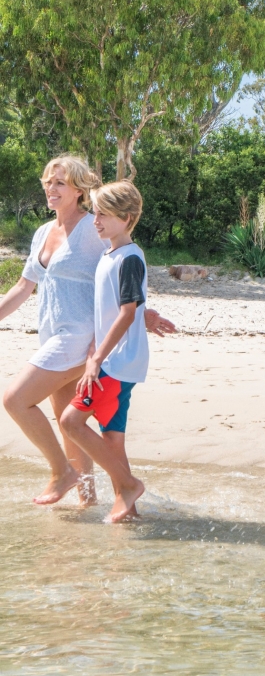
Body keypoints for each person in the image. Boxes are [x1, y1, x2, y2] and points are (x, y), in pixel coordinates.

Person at [0, 155, 175, 506]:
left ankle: (62, 473)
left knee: (15, 400)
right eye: (48, 181)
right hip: (52, 334)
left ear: (79, 189)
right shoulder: (41, 233)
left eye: (60, 182)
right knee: (69, 428)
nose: (51, 187)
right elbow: (23, 287)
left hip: (80, 338)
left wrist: (144, 314)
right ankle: (88, 503)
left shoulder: (92, 229)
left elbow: (121, 270)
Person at [61, 180, 149, 523]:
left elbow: (128, 312)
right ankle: (128, 511)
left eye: (104, 214)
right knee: (112, 440)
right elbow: (122, 308)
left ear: (126, 218)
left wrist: (97, 359)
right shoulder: (110, 255)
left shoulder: (128, 257)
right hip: (114, 360)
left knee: (71, 421)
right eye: (95, 212)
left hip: (117, 362)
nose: (95, 220)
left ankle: (128, 485)